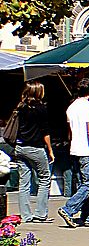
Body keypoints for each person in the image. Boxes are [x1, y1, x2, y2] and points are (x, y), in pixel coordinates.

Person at [58, 78, 89, 228]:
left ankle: (88, 216)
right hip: (85, 150)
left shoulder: (71, 107)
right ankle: (68, 209)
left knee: (83, 184)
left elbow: (70, 132)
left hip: (74, 149)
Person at [12, 81, 54, 222]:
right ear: (38, 92)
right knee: (44, 178)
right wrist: (50, 149)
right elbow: (45, 131)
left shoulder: (21, 106)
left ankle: (25, 215)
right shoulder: (41, 108)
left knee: (24, 182)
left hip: (20, 147)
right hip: (35, 147)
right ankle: (40, 213)